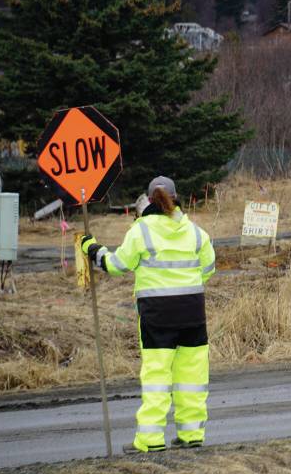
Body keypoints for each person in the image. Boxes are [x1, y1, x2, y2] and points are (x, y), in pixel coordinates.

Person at [82, 176, 216, 453]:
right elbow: (209, 268)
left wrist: (92, 249)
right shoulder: (194, 231)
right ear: (175, 198)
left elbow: (117, 264)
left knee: (157, 377)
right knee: (191, 377)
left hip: (157, 314)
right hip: (192, 311)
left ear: (147, 200)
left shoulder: (141, 231)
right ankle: (192, 435)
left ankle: (151, 440)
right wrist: (183, 280)